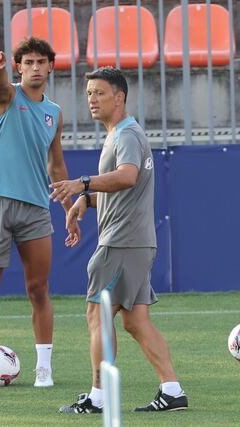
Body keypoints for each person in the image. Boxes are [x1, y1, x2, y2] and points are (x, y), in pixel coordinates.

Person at [50, 67, 188, 412]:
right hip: (136, 241)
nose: (92, 100)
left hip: (121, 243)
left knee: (97, 315)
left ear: (119, 96)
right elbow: (126, 188)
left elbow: (127, 177)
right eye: (89, 94)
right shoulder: (123, 133)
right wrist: (86, 201)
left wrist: (82, 184)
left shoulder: (126, 135)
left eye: (99, 93)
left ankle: (99, 397)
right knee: (136, 320)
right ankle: (172, 391)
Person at [0, 37, 80, 389]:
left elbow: (57, 166)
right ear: (18, 67)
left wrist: (69, 209)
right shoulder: (7, 96)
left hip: (34, 209)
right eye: (27, 62)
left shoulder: (54, 113)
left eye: (40, 62)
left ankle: (43, 368)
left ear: (49, 66)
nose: (34, 67)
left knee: (39, 289)